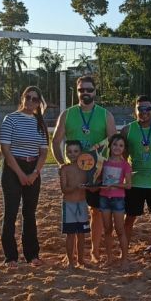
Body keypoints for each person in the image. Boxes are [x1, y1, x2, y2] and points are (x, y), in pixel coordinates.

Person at [52, 76, 116, 263]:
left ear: (95, 91)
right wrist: (60, 164)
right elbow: (55, 141)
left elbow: (113, 144)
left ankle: (95, 251)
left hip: (96, 172)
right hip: (74, 173)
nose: (85, 93)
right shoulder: (68, 114)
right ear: (77, 91)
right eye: (81, 90)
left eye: (89, 89)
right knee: (73, 209)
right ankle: (70, 255)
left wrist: (109, 170)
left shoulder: (105, 115)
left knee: (96, 211)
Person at [0, 86, 49, 268]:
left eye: (35, 99)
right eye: (28, 97)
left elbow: (44, 152)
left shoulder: (39, 122)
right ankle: (10, 257)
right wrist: (20, 174)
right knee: (10, 212)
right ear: (22, 98)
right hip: (14, 168)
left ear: (38, 103)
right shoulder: (11, 119)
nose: (31, 101)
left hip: (33, 168)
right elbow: (5, 149)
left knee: (30, 213)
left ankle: (32, 255)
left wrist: (35, 173)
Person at [121, 96, 151, 262]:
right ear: (135, 111)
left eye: (148, 108)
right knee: (129, 220)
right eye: (140, 109)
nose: (144, 112)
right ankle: (124, 255)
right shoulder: (127, 130)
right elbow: (123, 155)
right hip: (135, 182)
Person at [98, 133, 132, 265]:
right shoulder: (103, 162)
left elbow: (128, 185)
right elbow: (98, 177)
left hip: (118, 199)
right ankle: (109, 258)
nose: (117, 147)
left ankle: (124, 259)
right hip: (104, 198)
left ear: (124, 148)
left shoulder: (125, 165)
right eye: (115, 144)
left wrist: (114, 185)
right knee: (107, 229)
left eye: (121, 145)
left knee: (120, 230)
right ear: (110, 146)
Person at [60, 140, 91, 269]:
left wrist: (89, 186)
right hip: (69, 205)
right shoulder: (65, 169)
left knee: (81, 234)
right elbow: (64, 189)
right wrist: (75, 187)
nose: (72, 154)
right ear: (66, 153)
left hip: (82, 204)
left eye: (76, 151)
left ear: (81, 152)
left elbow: (92, 184)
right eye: (69, 151)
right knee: (70, 234)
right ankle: (70, 261)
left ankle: (81, 259)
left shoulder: (86, 168)